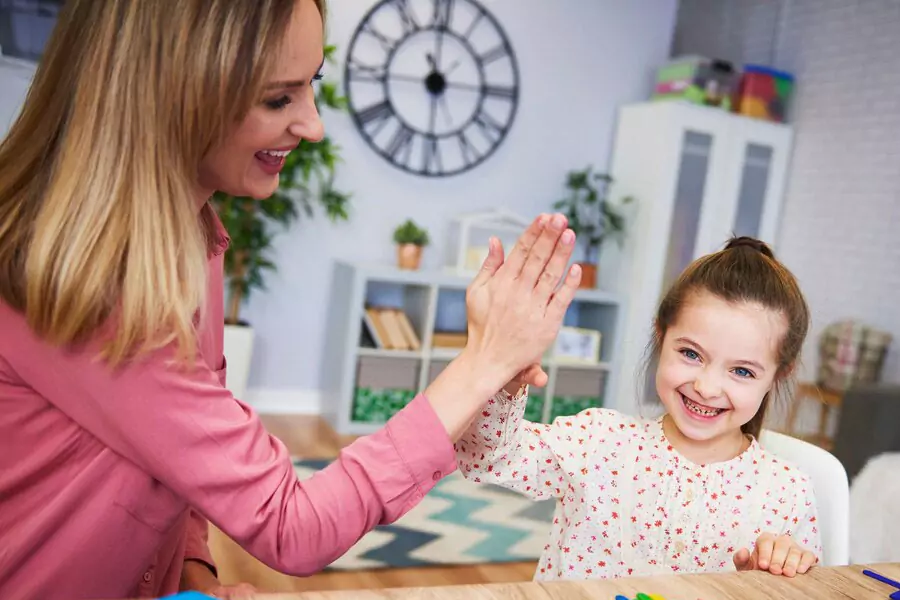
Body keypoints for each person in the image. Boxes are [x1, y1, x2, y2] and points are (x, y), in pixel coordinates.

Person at [0, 1, 582, 598]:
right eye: (278, 99)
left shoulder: (191, 237)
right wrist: (483, 361)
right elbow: (293, 522)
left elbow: (180, 456)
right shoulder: (95, 287)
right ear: (173, 93)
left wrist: (193, 573)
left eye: (312, 85)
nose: (313, 124)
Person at [456, 237, 823, 581]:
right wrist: (501, 372)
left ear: (779, 374)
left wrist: (770, 584)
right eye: (691, 354)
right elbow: (487, 458)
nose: (706, 387)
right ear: (661, 335)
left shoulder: (787, 493)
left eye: (742, 371)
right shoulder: (597, 441)